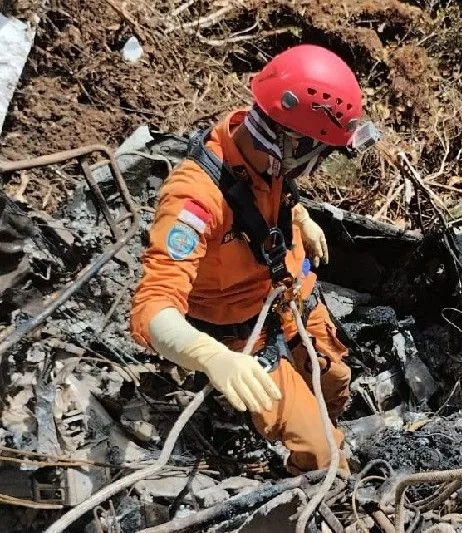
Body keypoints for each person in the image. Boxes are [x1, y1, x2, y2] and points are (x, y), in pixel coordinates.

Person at [130, 44, 376, 474]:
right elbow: (153, 309)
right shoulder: (195, 200)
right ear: (290, 143)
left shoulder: (262, 150)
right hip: (243, 335)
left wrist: (300, 216)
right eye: (316, 156)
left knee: (336, 380)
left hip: (291, 302)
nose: (314, 170)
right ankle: (306, 472)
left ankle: (320, 417)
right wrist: (213, 358)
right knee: (326, 458)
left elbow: (269, 197)